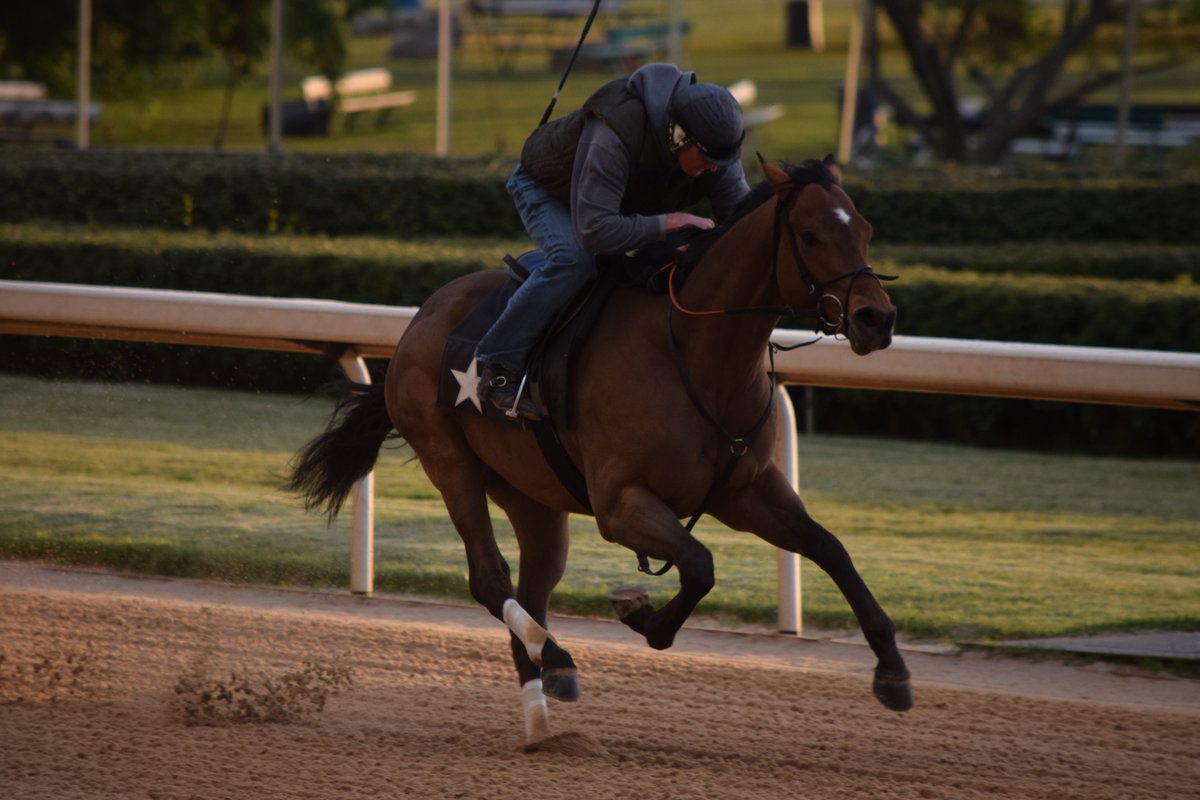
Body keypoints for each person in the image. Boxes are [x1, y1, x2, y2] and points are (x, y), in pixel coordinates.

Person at [475, 62, 752, 421]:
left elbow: (742, 220)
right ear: (680, 136)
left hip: (613, 202)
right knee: (574, 260)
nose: (717, 169)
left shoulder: (713, 146)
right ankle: (497, 365)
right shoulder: (615, 131)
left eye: (723, 161)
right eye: (710, 160)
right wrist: (673, 221)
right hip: (547, 189)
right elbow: (594, 231)